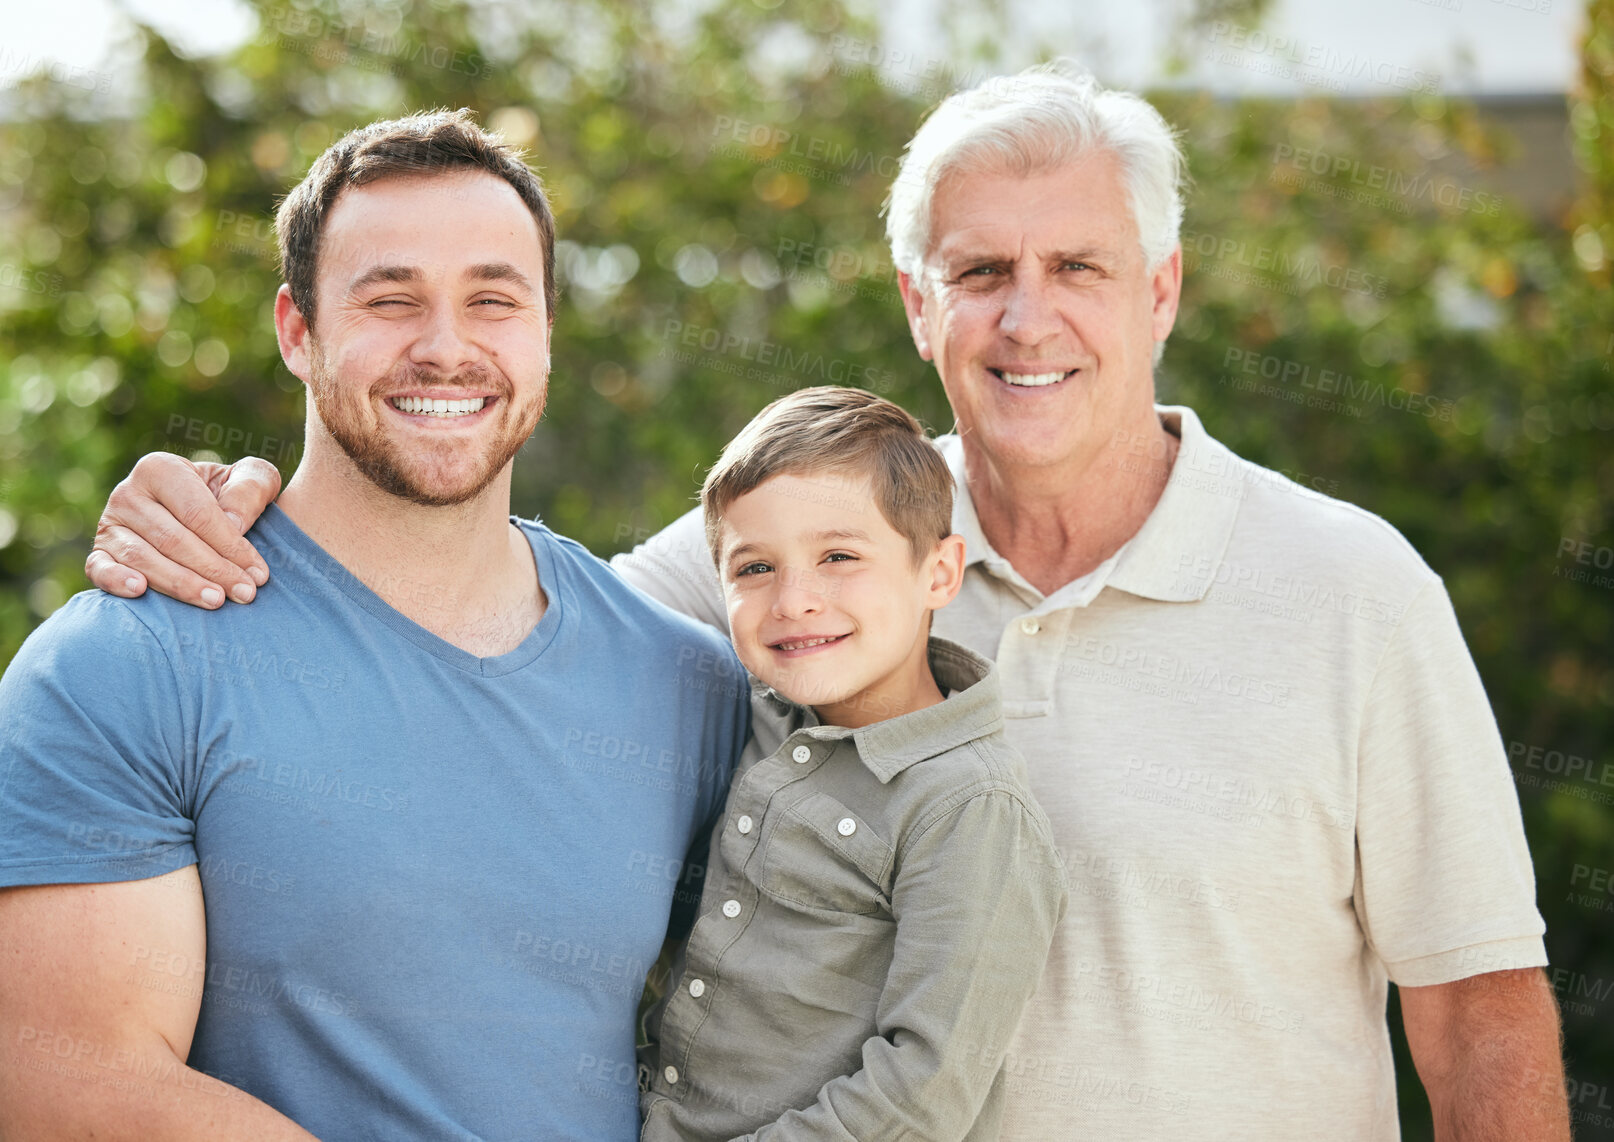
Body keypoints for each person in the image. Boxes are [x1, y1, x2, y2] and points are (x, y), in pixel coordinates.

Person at [83, 64, 1569, 1140]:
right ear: (917, 302)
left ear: (1162, 289)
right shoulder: (805, 553)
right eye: (977, 271)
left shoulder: (1349, 587)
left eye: (1078, 269)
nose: (1025, 316)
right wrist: (227, 491)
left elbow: (1479, 1018)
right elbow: (487, 591)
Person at [0, 109, 749, 1141]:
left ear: (546, 328)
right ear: (297, 329)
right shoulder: (123, 665)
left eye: (493, 300)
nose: (445, 347)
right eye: (391, 298)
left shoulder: (686, 681)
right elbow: (82, 1100)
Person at [637, 386, 1066, 1140]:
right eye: (754, 568)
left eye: (839, 556)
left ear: (938, 573)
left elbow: (923, 1087)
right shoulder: (751, 716)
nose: (795, 600)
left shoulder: (968, 805)